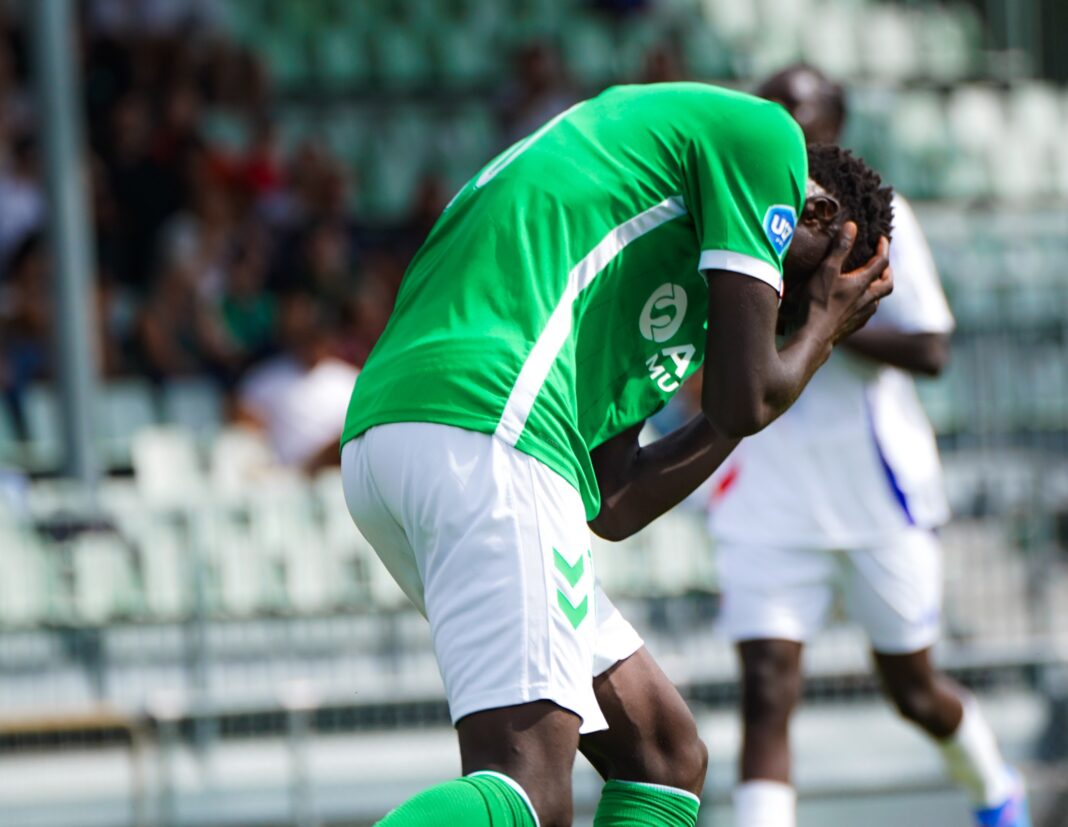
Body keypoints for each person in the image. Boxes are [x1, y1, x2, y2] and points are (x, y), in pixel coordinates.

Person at [341, 82, 893, 827]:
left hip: (410, 436)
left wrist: (762, 379)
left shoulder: (664, 261)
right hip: (493, 427)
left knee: (662, 754)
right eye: (801, 290)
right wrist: (820, 335)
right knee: (528, 785)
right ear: (821, 217)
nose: (781, 313)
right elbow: (745, 397)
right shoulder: (768, 140)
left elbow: (617, 498)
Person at [707, 65, 1030, 827]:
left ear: (836, 123)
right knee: (766, 686)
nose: (786, 120)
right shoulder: (736, 217)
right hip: (767, 486)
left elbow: (931, 349)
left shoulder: (885, 219)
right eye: (772, 109)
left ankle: (996, 794)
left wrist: (827, 319)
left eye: (802, 108)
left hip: (873, 486)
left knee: (912, 689)